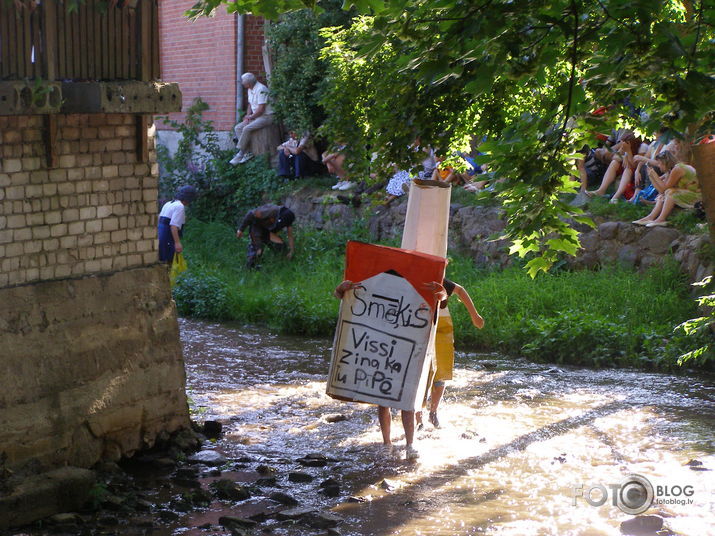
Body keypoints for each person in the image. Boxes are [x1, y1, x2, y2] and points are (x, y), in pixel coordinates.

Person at [333, 280, 421, 461]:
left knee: (407, 401)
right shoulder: (371, 281)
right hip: (379, 349)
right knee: (383, 399)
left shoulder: (415, 284)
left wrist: (441, 294)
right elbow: (340, 295)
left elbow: (441, 299)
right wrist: (341, 290)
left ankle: (410, 444)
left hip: (404, 348)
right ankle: (387, 443)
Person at [416, 279, 484, 429]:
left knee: (441, 373)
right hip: (419, 328)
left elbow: (460, 290)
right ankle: (418, 419)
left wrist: (474, 315)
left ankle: (433, 412)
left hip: (442, 330)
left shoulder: (439, 279)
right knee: (419, 375)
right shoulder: (412, 278)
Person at [632, 150, 699, 227]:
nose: (658, 166)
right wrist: (651, 176)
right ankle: (650, 218)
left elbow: (664, 188)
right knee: (663, 195)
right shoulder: (670, 171)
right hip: (688, 192)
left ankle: (661, 219)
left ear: (665, 163)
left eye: (659, 163)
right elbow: (661, 191)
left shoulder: (678, 168)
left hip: (697, 195)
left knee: (670, 192)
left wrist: (655, 175)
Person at [230, 73, 275, 165]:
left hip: (266, 116)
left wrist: (251, 117)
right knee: (238, 128)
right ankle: (247, 152)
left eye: (243, 82)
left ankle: (241, 152)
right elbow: (250, 104)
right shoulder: (250, 89)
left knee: (247, 128)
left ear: (249, 83)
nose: (242, 84)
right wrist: (247, 116)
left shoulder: (261, 89)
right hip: (256, 116)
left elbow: (261, 109)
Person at [236, 204, 295, 268]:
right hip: (256, 228)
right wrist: (241, 229)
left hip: (267, 231)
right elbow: (250, 213)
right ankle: (250, 267)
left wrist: (291, 251)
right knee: (258, 251)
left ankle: (278, 264)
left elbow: (290, 236)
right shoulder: (270, 210)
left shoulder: (289, 218)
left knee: (282, 247)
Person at [157, 185, 198, 263]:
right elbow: (173, 226)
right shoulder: (180, 206)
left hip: (160, 236)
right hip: (168, 237)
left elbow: (160, 218)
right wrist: (177, 243)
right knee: (168, 264)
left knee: (162, 261)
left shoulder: (168, 203)